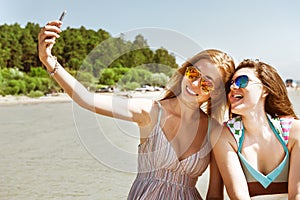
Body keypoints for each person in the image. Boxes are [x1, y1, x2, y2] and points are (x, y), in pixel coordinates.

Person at [38, 20, 235, 199]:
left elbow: (215, 195)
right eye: (193, 73)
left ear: (216, 93)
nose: (195, 84)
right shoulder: (150, 111)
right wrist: (48, 60)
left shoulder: (215, 131)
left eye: (207, 83)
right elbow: (86, 99)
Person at [212, 59, 300, 199]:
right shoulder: (225, 136)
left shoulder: (294, 131)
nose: (233, 87)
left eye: (242, 81)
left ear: (264, 89)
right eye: (231, 84)